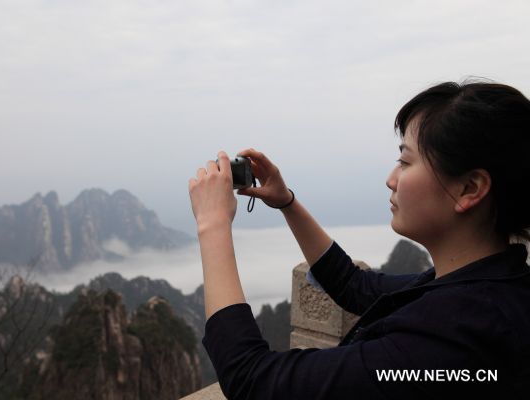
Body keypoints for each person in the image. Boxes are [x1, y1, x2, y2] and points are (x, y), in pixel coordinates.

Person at [187, 80, 530, 399]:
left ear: (469, 189)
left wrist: (213, 224)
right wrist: (287, 202)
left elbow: (252, 380)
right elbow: (354, 286)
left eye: (405, 161)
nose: (391, 178)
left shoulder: (455, 337)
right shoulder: (485, 286)